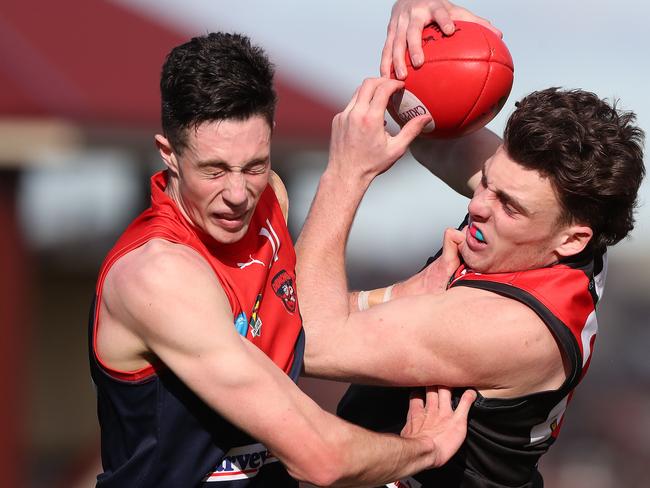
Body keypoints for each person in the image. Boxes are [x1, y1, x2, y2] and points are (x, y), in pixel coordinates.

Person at [88, 32, 477, 487]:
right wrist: (426, 447)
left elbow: (291, 313)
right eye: (213, 170)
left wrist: (398, 295)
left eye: (253, 165)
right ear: (168, 154)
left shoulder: (268, 200)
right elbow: (321, 458)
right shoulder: (157, 275)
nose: (236, 194)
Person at [294, 4, 646, 487]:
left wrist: (344, 175)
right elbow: (432, 133)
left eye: (508, 204)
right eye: (487, 184)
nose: (479, 205)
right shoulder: (548, 224)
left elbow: (307, 339)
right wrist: (414, 41)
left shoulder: (509, 326)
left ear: (573, 239)